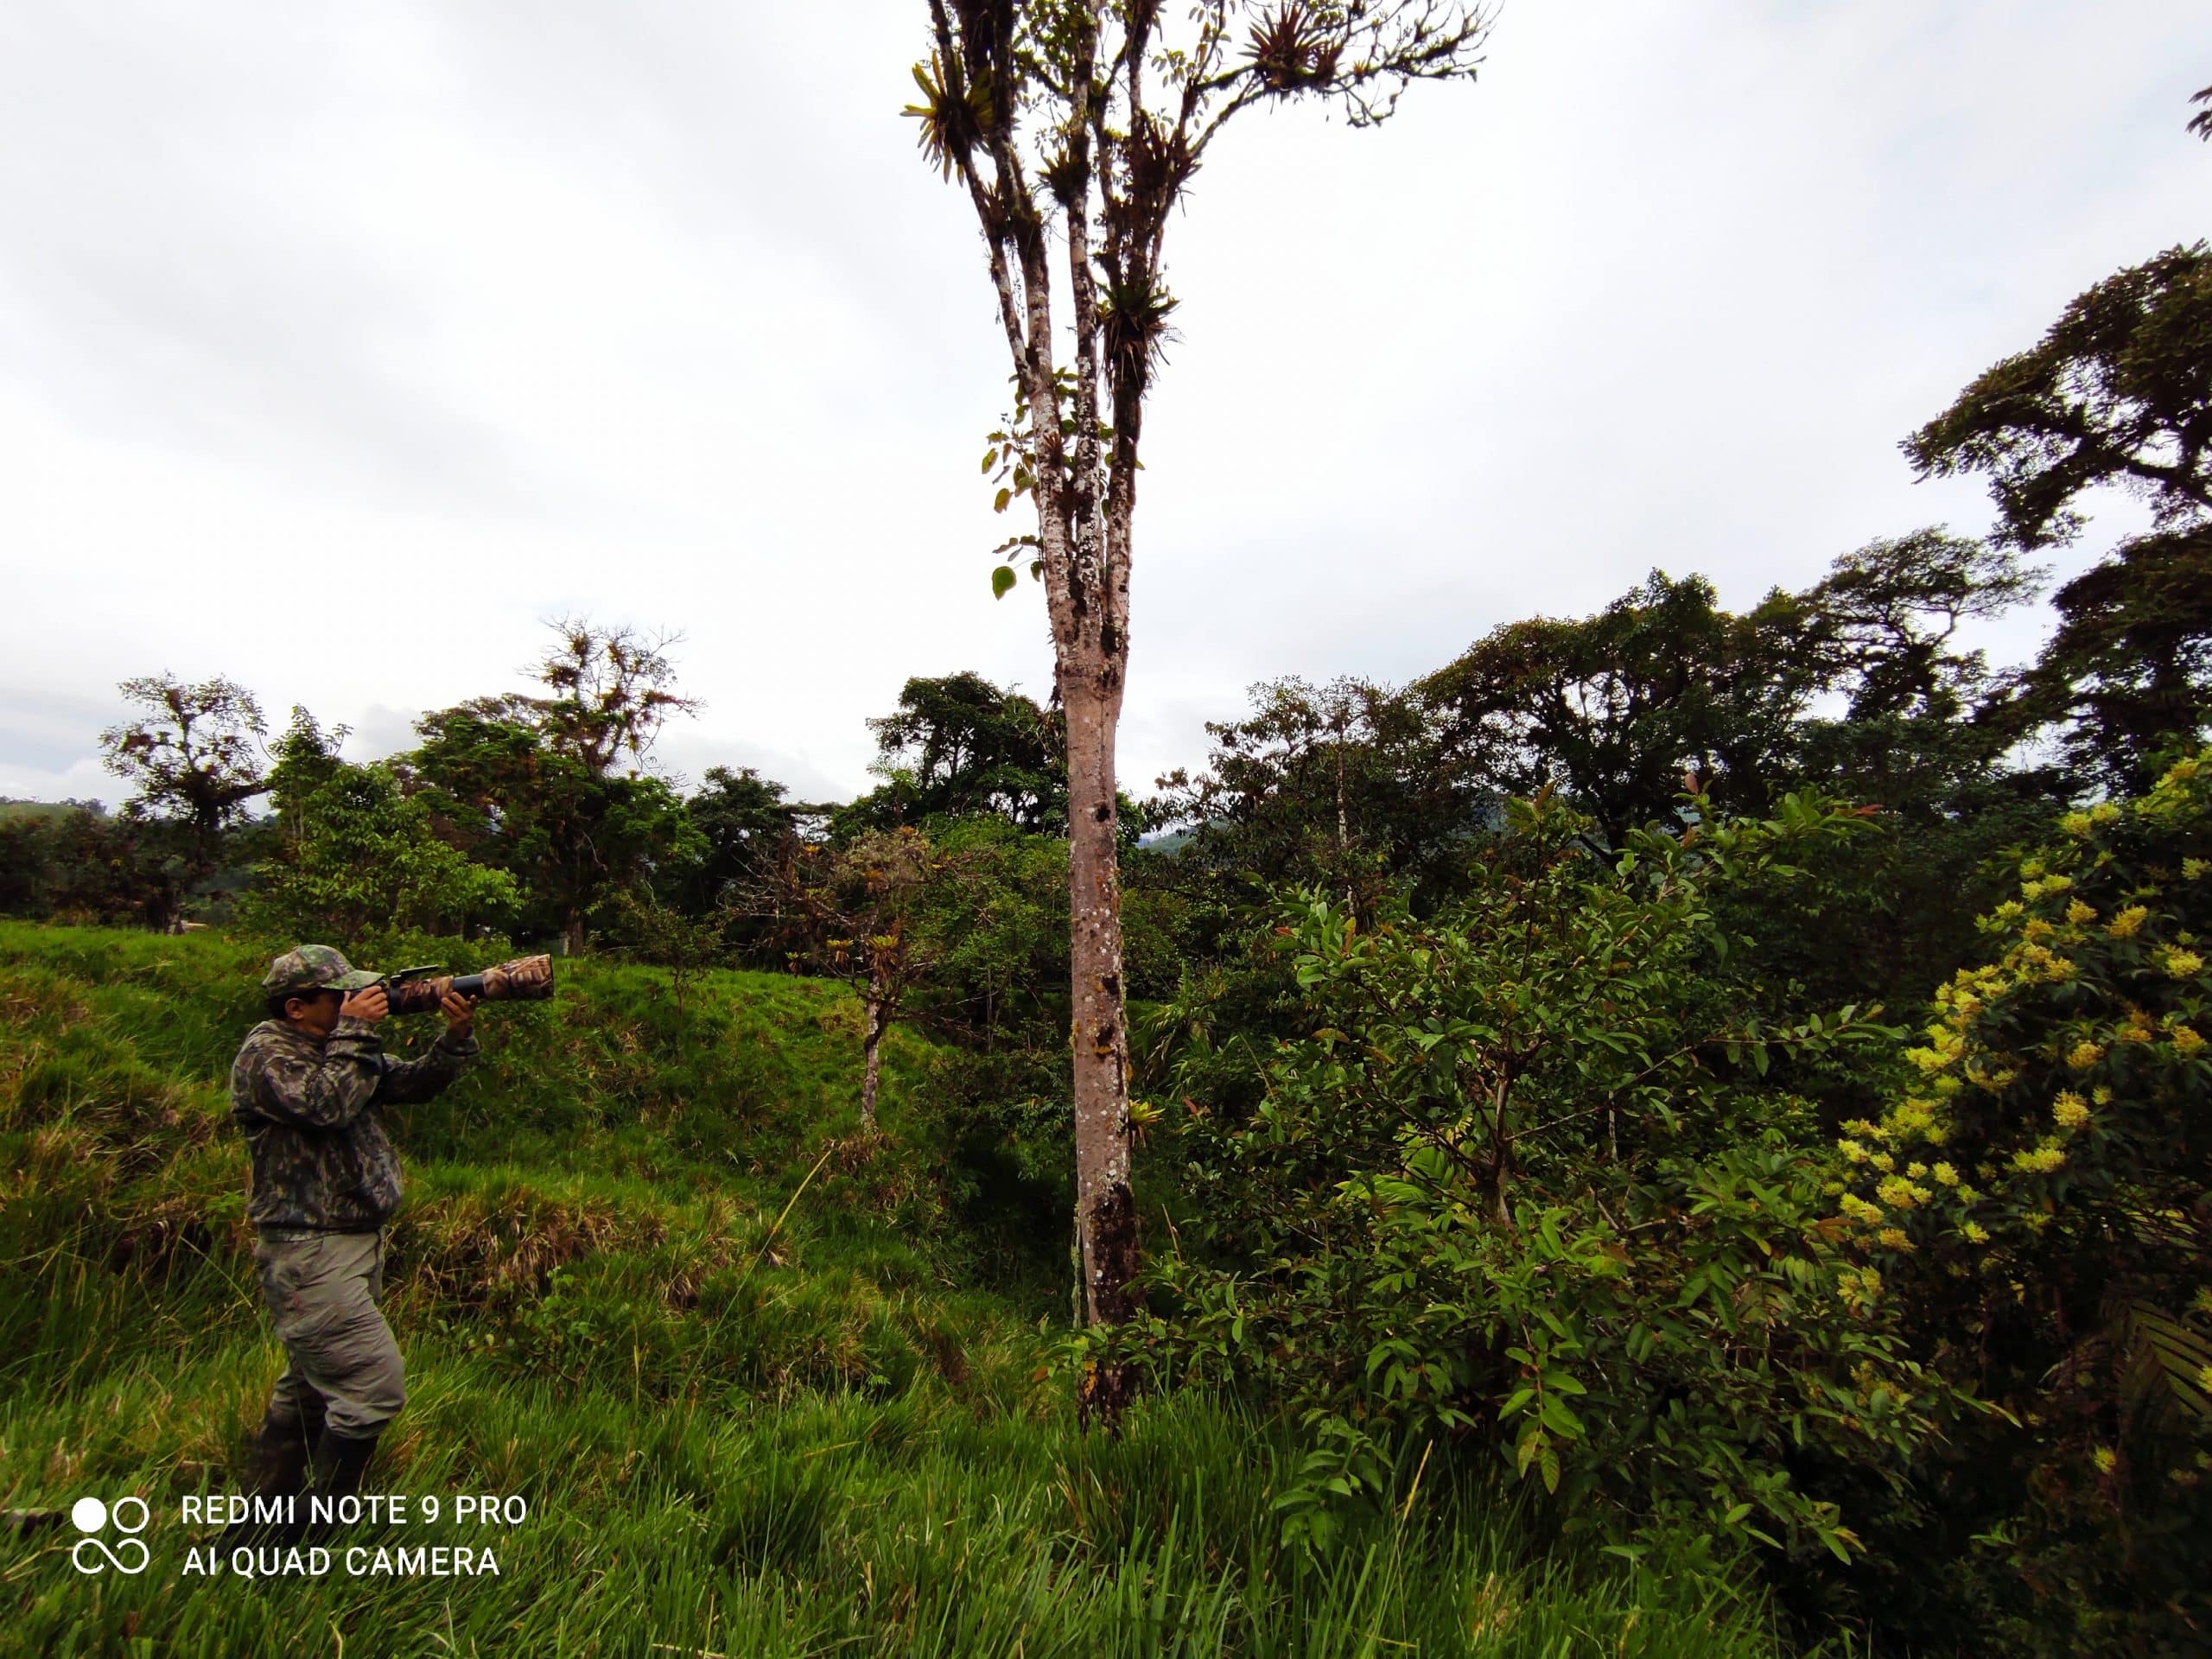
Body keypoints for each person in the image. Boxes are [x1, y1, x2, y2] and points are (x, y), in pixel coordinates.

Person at [225, 944, 480, 1540]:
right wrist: (357, 1032)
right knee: (372, 1386)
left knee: (310, 1393)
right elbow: (325, 1106)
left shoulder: (335, 1047)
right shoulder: (268, 1054)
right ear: (296, 1007)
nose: (352, 1002)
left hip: (354, 1239)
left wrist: (455, 1038)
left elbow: (412, 1084)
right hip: (307, 1247)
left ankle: (257, 1530)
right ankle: (319, 1530)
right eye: (338, 996)